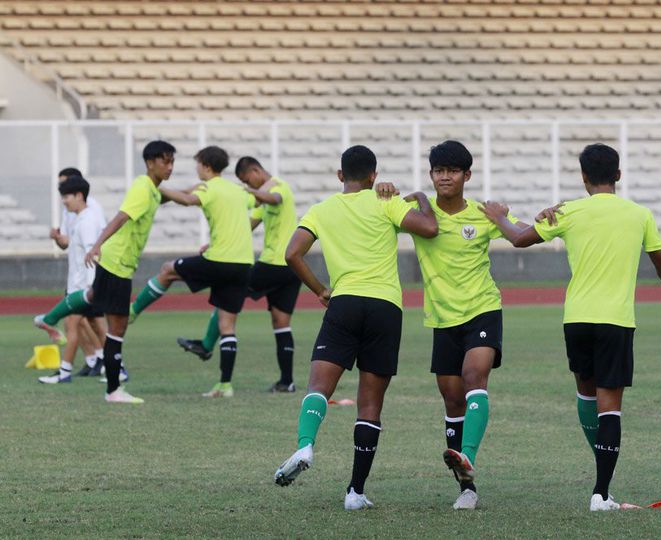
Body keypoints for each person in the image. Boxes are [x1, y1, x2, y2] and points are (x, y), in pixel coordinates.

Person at [480, 143, 661, 511]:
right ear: (618, 175)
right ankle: (601, 493)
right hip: (615, 321)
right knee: (610, 408)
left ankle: (603, 479)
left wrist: (497, 216)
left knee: (587, 396)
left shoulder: (567, 211)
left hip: (577, 320)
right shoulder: (639, 215)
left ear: (583, 177)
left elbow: (520, 238)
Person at [273, 145, 438, 510]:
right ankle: (355, 492)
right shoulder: (386, 201)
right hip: (385, 307)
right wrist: (422, 198)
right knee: (370, 404)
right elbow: (429, 228)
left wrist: (319, 290)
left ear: (339, 176)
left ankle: (305, 444)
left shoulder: (322, 209)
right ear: (374, 176)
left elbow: (291, 254)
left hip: (344, 303)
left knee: (319, 385)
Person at [375, 140, 528, 510]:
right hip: (442, 319)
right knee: (452, 399)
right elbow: (373, 217)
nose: (445, 177)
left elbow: (523, 234)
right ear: (431, 175)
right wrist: (383, 190)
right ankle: (467, 489)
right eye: (439, 171)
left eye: (453, 171)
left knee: (475, 377)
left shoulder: (481, 213)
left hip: (482, 309)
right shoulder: (416, 211)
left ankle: (468, 457)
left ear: (467, 175)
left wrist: (524, 217)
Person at [34, 140, 177, 404]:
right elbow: (121, 217)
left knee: (90, 298)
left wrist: (194, 195)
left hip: (117, 261)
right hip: (118, 263)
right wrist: (97, 245)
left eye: (172, 162)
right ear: (150, 163)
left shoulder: (153, 190)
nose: (170, 167)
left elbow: (170, 196)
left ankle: (48, 318)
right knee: (117, 327)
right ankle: (113, 389)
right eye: (165, 161)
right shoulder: (143, 187)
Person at [128, 146, 256, 399]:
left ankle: (132, 311)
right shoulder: (238, 191)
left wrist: (155, 188)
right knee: (227, 326)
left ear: (206, 166)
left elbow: (188, 199)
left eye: (197, 164)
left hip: (219, 260)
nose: (196, 168)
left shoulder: (207, 188)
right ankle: (225, 385)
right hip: (243, 263)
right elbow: (253, 201)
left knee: (167, 271)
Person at [176, 156, 301, 393]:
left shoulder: (279, 187)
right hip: (291, 268)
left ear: (255, 171)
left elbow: (275, 197)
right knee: (281, 323)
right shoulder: (263, 202)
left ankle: (205, 345)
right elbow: (246, 226)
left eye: (248, 181)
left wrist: (244, 190)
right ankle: (287, 381)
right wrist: (220, 242)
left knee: (228, 294)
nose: (250, 186)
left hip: (272, 264)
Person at [38, 176, 107, 384]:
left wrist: (89, 288)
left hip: (82, 288)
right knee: (95, 326)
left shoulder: (87, 221)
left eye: (66, 196)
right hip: (80, 285)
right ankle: (116, 367)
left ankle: (65, 372)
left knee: (72, 324)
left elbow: (91, 254)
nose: (64, 201)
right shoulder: (80, 218)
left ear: (79, 195)